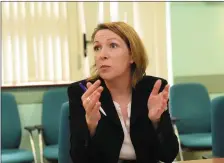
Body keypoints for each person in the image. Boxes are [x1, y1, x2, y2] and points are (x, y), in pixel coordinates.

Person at [68, 21, 179, 163]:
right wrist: (90, 126)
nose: (102, 55)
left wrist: (156, 121)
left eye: (113, 45)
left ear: (132, 55)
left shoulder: (152, 89)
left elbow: (168, 155)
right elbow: (78, 159)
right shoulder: (83, 92)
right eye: (97, 47)